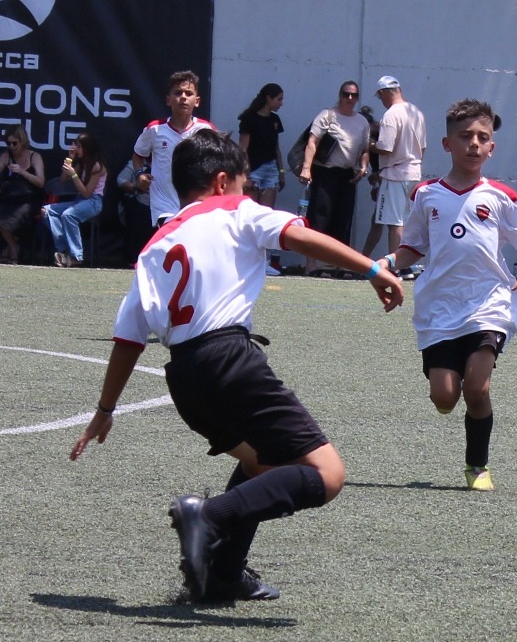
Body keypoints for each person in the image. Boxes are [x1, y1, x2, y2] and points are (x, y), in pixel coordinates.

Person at [70, 129, 402, 603]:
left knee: (260, 463)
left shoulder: (155, 245)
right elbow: (298, 236)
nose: (248, 192)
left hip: (185, 377)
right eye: (244, 184)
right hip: (229, 359)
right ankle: (207, 515)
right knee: (327, 476)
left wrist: (105, 409)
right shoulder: (236, 210)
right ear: (223, 181)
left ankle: (223, 573)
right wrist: (371, 269)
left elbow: (128, 340)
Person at [378, 99, 517, 491]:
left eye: (482, 137)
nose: (474, 144)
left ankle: (477, 466)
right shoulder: (425, 194)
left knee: (476, 388)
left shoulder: (502, 196)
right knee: (444, 398)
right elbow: (413, 246)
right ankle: (449, 396)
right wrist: (386, 263)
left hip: (489, 304)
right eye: (465, 136)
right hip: (439, 308)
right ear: (446, 143)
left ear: (492, 148)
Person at [298, 80, 370, 276]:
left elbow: (365, 150)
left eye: (354, 95)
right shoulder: (327, 115)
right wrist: (306, 168)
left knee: (343, 220)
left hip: (347, 175)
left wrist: (363, 167)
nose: (350, 98)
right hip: (325, 173)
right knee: (319, 218)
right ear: (340, 95)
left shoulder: (362, 122)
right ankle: (313, 263)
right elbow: (312, 142)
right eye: (346, 94)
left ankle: (339, 263)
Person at [132, 70, 215, 227]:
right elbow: (138, 155)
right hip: (164, 208)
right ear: (168, 100)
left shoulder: (207, 130)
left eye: (188, 93)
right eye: (178, 93)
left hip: (195, 206)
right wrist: (139, 174)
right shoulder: (155, 129)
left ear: (197, 101)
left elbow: (218, 162)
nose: (183, 97)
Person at [374, 75, 427, 280]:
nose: (381, 100)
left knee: (394, 223)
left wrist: (369, 146)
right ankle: (406, 266)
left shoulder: (390, 115)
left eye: (380, 96)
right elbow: (423, 147)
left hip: (395, 174)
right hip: (414, 172)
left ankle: (397, 267)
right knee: (406, 221)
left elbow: (385, 147)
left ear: (383, 93)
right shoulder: (416, 112)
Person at [237, 82, 286, 275]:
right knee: (250, 216)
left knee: (267, 215)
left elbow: (276, 148)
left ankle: (263, 262)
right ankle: (245, 259)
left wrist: (281, 171)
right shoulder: (249, 119)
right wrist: (246, 175)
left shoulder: (275, 120)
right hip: (253, 169)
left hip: (271, 169)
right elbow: (243, 149)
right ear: (268, 98)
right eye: (279, 99)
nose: (281, 103)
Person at [45, 132, 107, 267]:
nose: (76, 149)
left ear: (87, 148)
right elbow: (63, 180)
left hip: (93, 202)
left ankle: (76, 256)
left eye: (79, 147)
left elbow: (87, 193)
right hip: (79, 200)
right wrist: (69, 160)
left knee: (68, 215)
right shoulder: (82, 164)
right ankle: (64, 250)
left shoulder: (97, 166)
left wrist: (74, 174)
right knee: (47, 211)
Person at [0, 125, 45, 264]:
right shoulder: (6, 156)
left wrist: (22, 172)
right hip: (9, 198)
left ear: (23, 141)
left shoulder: (34, 156)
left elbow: (40, 182)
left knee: (15, 217)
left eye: (14, 143)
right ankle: (13, 245)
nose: (11, 146)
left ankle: (12, 249)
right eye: (8, 143)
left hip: (29, 199)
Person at [115, 160, 156, 263]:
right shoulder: (134, 164)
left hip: (162, 205)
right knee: (136, 209)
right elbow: (121, 180)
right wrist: (137, 186)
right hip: (140, 202)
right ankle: (133, 257)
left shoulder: (166, 164)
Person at [358, 105, 384, 258]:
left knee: (387, 223)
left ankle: (364, 258)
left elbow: (394, 161)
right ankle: (364, 257)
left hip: (394, 181)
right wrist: (375, 183)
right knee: (377, 221)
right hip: (384, 182)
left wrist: (379, 175)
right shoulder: (369, 142)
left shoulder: (383, 135)